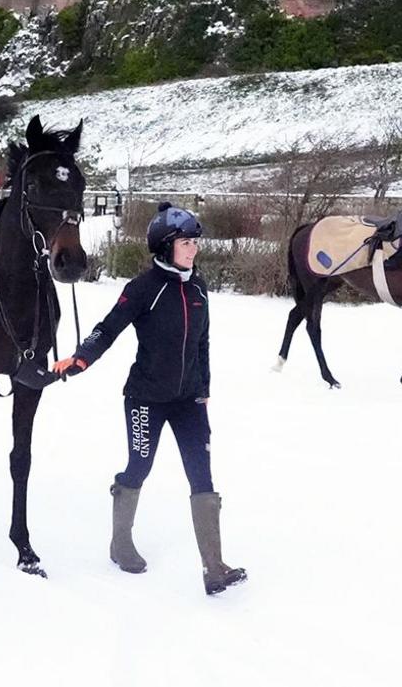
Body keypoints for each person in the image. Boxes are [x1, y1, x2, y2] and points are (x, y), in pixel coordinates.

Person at [51, 202, 248, 595]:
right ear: (165, 246)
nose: (194, 250)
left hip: (189, 400)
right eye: (187, 243)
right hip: (145, 399)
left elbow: (202, 342)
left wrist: (204, 387)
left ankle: (214, 567)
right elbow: (107, 329)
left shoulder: (198, 286)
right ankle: (120, 543)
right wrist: (81, 357)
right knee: (139, 465)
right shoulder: (144, 288)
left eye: (195, 242)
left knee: (202, 476)